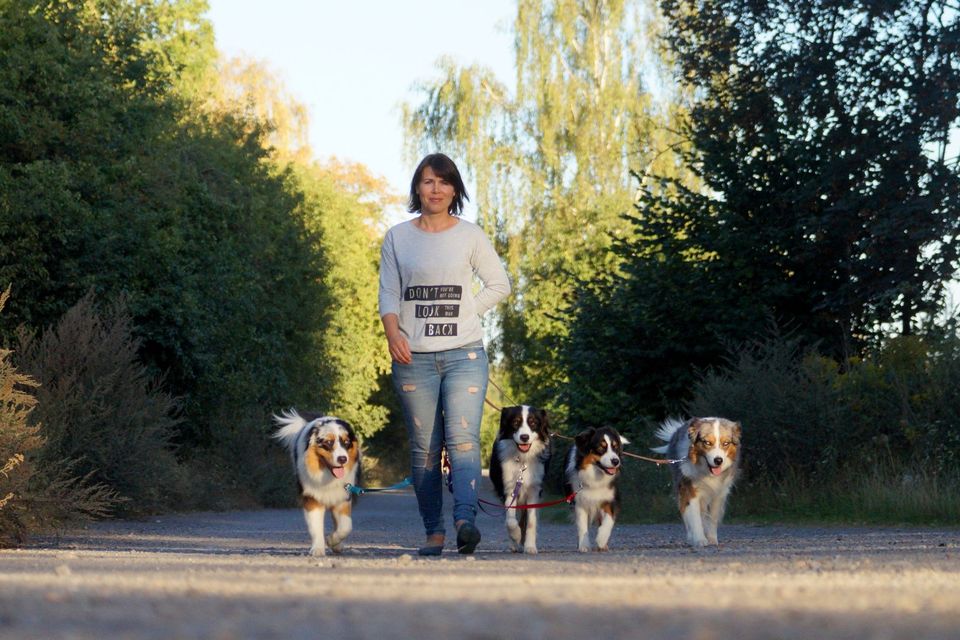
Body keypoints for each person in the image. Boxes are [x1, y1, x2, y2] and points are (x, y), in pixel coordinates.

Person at [378, 153, 511, 555]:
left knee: (463, 441)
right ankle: (433, 532)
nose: (435, 189)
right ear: (417, 188)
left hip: (464, 355)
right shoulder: (398, 237)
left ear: (455, 190)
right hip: (412, 357)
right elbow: (388, 293)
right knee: (425, 448)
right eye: (428, 181)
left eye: (443, 182)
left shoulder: (470, 235)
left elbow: (498, 284)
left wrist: (467, 310)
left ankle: (464, 523)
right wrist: (392, 334)